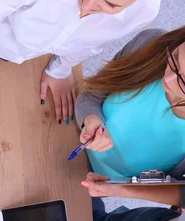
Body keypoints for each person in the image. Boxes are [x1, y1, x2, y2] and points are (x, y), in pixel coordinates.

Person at [0, 0, 161, 126]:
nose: (87, 6)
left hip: (5, 50)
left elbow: (92, 43)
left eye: (110, 4)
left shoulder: (146, 10)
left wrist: (59, 69)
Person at [76, 27, 185, 179]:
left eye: (183, 83)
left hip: (98, 183)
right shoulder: (151, 44)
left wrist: (114, 189)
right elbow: (94, 90)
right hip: (69, 134)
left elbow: (168, 190)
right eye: (175, 58)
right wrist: (91, 118)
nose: (167, 79)